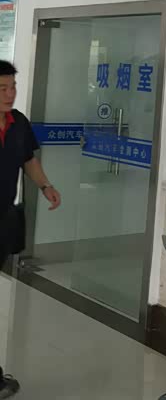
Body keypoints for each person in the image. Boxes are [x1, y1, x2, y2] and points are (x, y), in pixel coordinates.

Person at [0, 61, 61, 399]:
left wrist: (45, 185)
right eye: (2, 89)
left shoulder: (18, 122)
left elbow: (28, 159)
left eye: (12, 87)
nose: (10, 94)